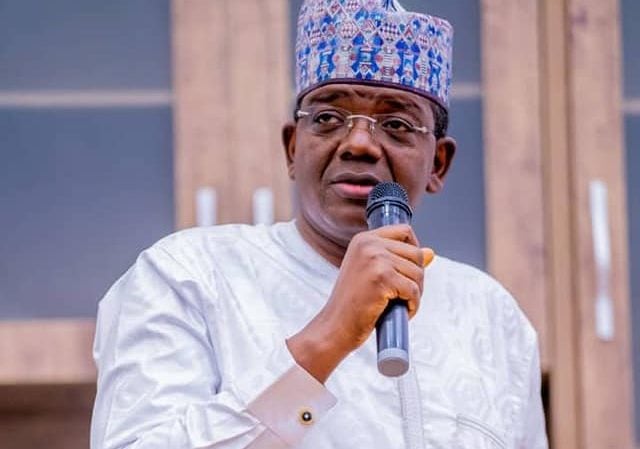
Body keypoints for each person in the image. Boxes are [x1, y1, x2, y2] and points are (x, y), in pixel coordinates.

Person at [91, 0, 548, 448]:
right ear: (293, 149)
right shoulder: (189, 276)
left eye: (396, 124)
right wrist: (329, 336)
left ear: (438, 164)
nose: (359, 144)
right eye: (328, 118)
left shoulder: (491, 316)